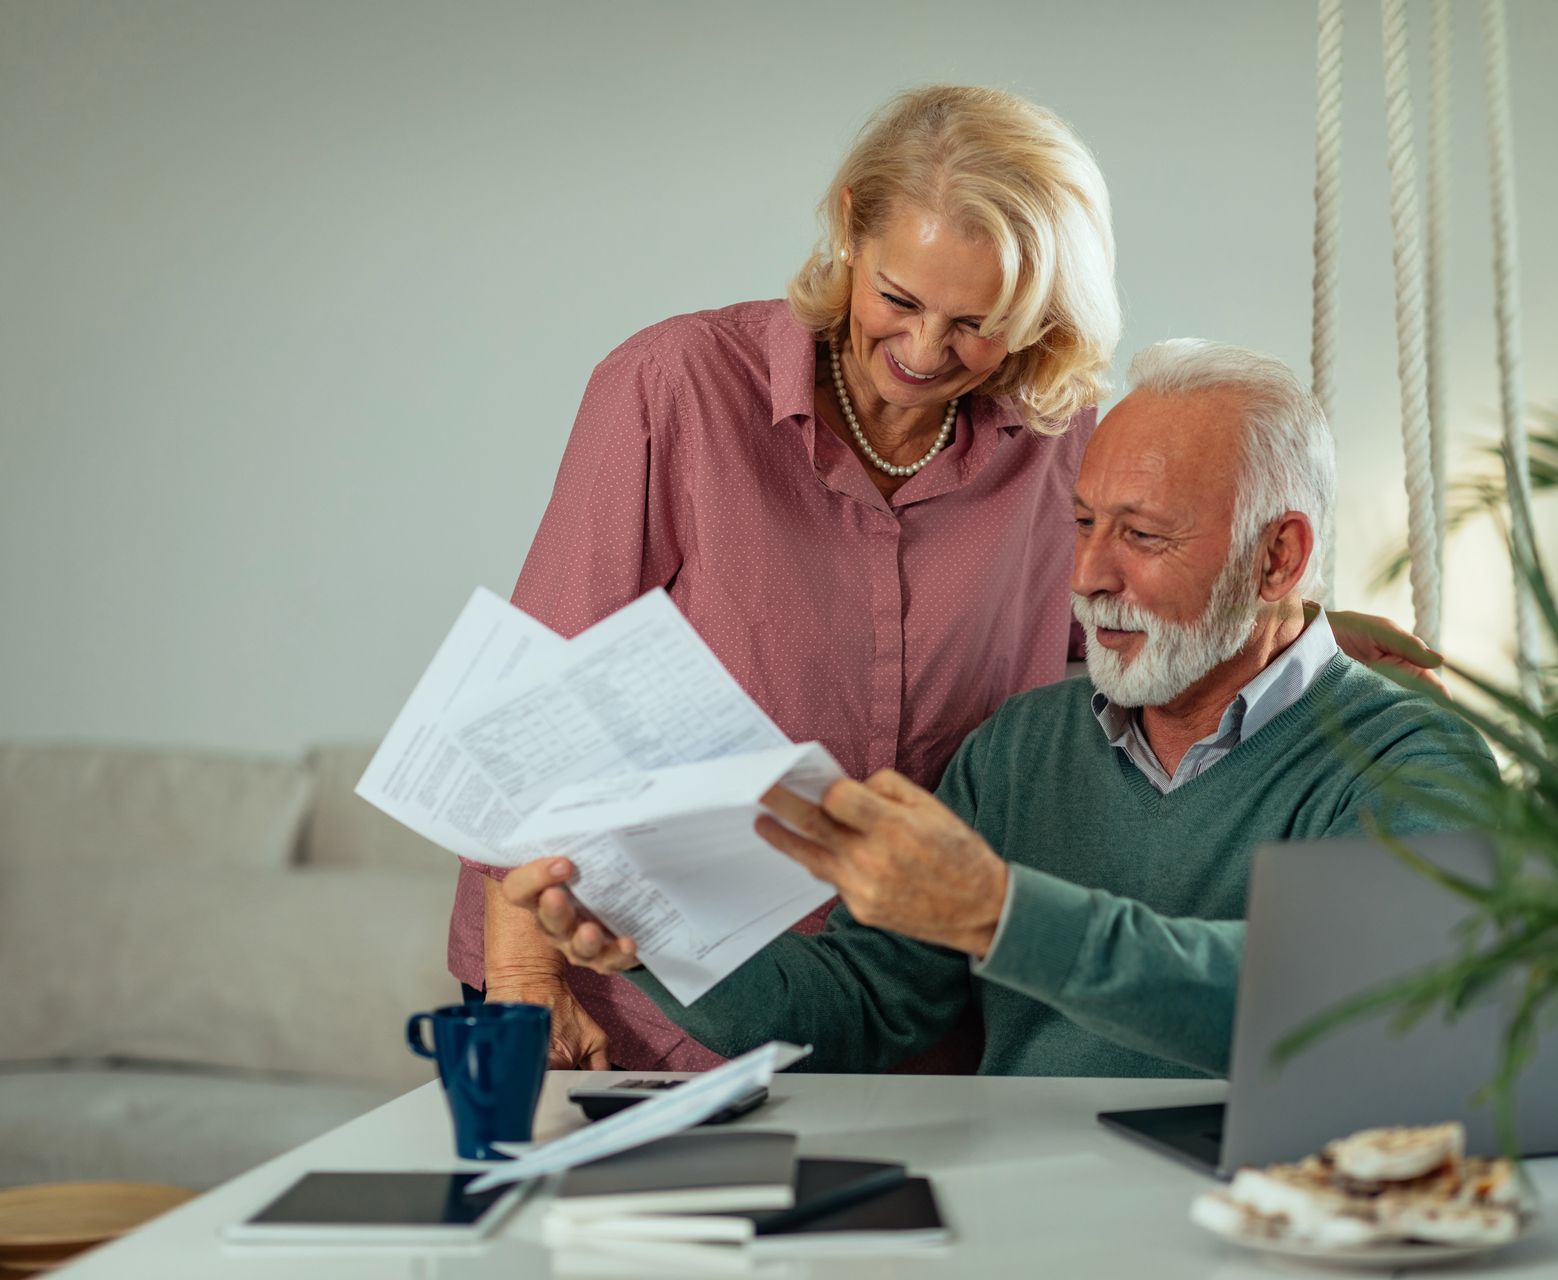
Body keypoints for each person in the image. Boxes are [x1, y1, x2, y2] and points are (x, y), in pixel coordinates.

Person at [456, 85, 1442, 1074]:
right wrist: (527, 977)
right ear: (850, 227)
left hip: (913, 983)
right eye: (899, 298)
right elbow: (535, 701)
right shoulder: (676, 387)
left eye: (977, 321)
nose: (926, 352)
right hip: (646, 981)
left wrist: (1286, 624)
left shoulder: (1064, 439)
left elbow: (1121, 635)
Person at [502, 340, 1494, 1078]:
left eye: (1143, 535)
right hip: (1008, 1219)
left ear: (1278, 557)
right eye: (1083, 524)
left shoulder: (1408, 756)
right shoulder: (1024, 748)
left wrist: (1002, 912)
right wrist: (661, 939)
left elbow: (1367, 1002)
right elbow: (859, 1005)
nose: (1092, 575)